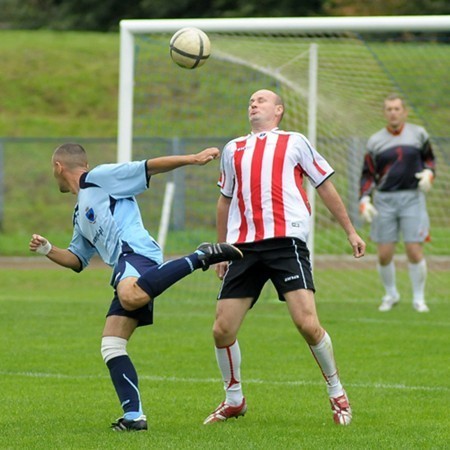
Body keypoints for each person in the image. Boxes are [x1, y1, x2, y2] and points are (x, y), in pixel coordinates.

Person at [29, 142, 243, 431]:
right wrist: (47, 249)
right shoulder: (80, 213)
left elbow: (148, 166)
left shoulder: (100, 177)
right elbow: (78, 260)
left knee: (129, 294)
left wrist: (193, 158)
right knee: (112, 344)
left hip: (136, 255)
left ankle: (200, 256)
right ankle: (134, 417)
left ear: (58, 167)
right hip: (125, 268)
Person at [203, 89, 366, 426]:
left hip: (285, 242)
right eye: (249, 100)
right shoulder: (233, 148)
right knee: (222, 329)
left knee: (307, 323)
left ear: (278, 110)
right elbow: (224, 201)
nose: (253, 104)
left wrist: (350, 231)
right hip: (243, 247)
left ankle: (337, 393)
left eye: (261, 100)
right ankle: (234, 400)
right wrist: (221, 248)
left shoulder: (295, 141)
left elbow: (324, 185)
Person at [359, 94, 436, 313]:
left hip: (412, 198)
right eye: (389, 109)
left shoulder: (419, 134)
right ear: (384, 113)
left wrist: (429, 174)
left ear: (404, 111)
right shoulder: (375, 141)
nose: (393, 112)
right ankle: (390, 294)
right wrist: (364, 198)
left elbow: (430, 159)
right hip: (384, 201)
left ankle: (419, 299)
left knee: (414, 250)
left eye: (396, 108)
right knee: (384, 254)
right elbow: (367, 174)